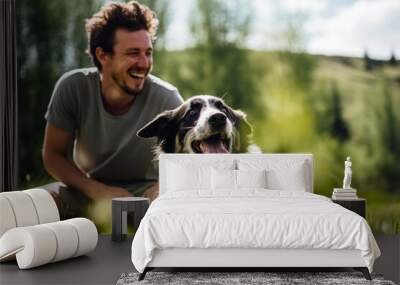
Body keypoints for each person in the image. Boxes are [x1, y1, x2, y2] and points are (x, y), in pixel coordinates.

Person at [42, 1, 183, 217]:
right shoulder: (73, 87)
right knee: (38, 202)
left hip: (148, 195)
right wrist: (98, 191)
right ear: (103, 56)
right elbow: (53, 154)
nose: (144, 63)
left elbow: (186, 163)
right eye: (133, 53)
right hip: (88, 190)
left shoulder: (167, 99)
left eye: (148, 53)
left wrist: (159, 189)